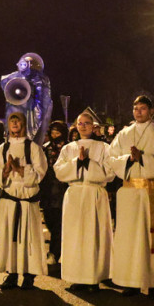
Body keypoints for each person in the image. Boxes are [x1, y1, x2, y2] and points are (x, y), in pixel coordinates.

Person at [106, 96, 154, 297]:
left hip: (151, 192)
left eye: (143, 108)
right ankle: (131, 282)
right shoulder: (123, 134)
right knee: (129, 239)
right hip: (129, 194)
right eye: (135, 108)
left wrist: (143, 158)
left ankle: (152, 283)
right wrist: (129, 159)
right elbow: (111, 158)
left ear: (151, 111)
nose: (138, 112)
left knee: (151, 239)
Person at [54, 112, 115, 291]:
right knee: (74, 237)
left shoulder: (104, 147)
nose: (83, 126)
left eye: (87, 123)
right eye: (80, 123)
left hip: (94, 193)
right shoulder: (68, 149)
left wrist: (88, 163)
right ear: (76, 126)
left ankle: (93, 278)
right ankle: (77, 277)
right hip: (74, 194)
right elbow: (59, 171)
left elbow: (110, 172)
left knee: (93, 237)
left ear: (93, 126)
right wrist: (77, 162)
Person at [0, 112, 47, 289]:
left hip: (26, 199)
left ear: (24, 125)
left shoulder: (33, 148)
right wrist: (6, 171)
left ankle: (29, 275)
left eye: (18, 121)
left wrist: (20, 169)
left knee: (28, 238)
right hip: (9, 199)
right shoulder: (3, 148)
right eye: (12, 121)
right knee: (10, 237)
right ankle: (12, 273)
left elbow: (40, 173)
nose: (15, 124)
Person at [40, 120, 69, 264]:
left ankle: (54, 252)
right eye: (53, 132)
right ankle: (58, 249)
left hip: (63, 189)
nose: (55, 135)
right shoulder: (46, 148)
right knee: (49, 220)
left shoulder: (68, 148)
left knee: (59, 223)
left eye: (58, 132)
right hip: (48, 189)